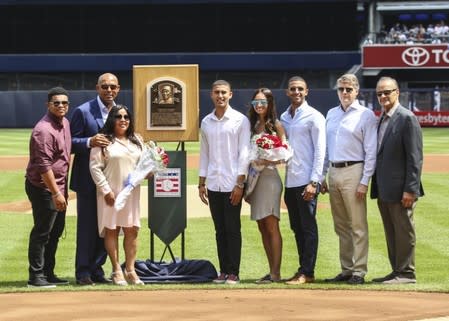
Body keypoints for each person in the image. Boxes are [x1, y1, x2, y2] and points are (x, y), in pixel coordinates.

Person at [321, 74, 377, 285]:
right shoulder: (331, 114)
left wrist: (364, 181)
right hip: (334, 171)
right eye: (341, 89)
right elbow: (326, 148)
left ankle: (359, 271)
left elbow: (370, 150)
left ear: (357, 91)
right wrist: (322, 176)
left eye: (348, 89)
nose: (345, 93)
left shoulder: (366, 114)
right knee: (341, 226)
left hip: (354, 169)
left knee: (358, 225)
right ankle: (346, 269)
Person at [370, 76, 424, 284]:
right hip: (384, 188)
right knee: (391, 231)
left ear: (397, 92)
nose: (383, 96)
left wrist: (411, 189)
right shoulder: (382, 119)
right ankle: (396, 271)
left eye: (387, 92)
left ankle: (407, 272)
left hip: (401, 188)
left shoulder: (406, 118)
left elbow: (415, 157)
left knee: (403, 230)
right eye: (379, 93)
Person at [70, 73, 121, 285]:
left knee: (107, 226)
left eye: (113, 87)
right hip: (87, 180)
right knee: (88, 226)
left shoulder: (120, 112)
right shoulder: (83, 111)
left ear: (118, 89)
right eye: (105, 87)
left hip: (112, 180)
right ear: (97, 88)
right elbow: (70, 143)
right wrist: (89, 141)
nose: (109, 90)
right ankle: (83, 271)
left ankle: (97, 269)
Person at [198, 79, 251, 285]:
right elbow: (205, 153)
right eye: (216, 92)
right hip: (213, 183)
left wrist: (240, 184)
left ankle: (234, 272)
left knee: (232, 228)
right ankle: (223, 270)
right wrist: (201, 182)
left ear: (231, 95)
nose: (220, 96)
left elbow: (244, 153)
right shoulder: (206, 121)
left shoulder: (240, 120)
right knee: (219, 229)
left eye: (224, 92)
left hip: (232, 183)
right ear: (211, 95)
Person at [89, 105, 145, 286]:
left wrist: (151, 170)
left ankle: (130, 269)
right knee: (111, 230)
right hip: (110, 194)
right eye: (118, 116)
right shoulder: (104, 141)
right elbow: (95, 168)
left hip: (131, 193)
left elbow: (144, 165)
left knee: (132, 229)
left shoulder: (137, 140)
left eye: (126, 117)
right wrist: (106, 190)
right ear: (111, 119)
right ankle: (116, 270)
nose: (123, 120)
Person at [280, 76, 326, 285]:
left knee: (308, 227)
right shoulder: (284, 117)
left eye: (300, 89)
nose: (296, 92)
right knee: (297, 227)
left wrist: (315, 181)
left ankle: (308, 271)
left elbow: (320, 151)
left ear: (306, 91)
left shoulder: (314, 116)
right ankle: (302, 269)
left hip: (307, 180)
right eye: (293, 89)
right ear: (287, 92)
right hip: (290, 181)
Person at [25, 87, 71, 287]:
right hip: (44, 187)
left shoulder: (65, 123)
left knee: (56, 231)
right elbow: (43, 166)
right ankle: (35, 276)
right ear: (48, 105)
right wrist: (56, 193)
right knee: (43, 232)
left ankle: (48, 272)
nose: (61, 106)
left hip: (59, 185)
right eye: (56, 103)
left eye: (64, 103)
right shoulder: (43, 130)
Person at [247, 88, 286, 284]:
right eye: (256, 102)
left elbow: (285, 154)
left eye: (263, 102)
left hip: (270, 179)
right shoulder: (252, 126)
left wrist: (269, 160)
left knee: (271, 224)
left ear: (269, 104)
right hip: (255, 179)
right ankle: (270, 270)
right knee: (261, 225)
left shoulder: (276, 126)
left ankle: (276, 273)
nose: (259, 106)